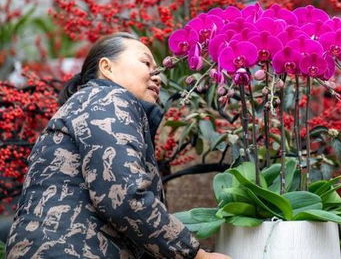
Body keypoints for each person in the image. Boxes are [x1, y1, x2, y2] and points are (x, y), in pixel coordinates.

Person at [5, 33, 230, 259]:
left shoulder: (92, 104)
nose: (157, 75)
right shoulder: (106, 99)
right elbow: (125, 195)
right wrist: (196, 255)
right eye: (146, 63)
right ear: (107, 67)